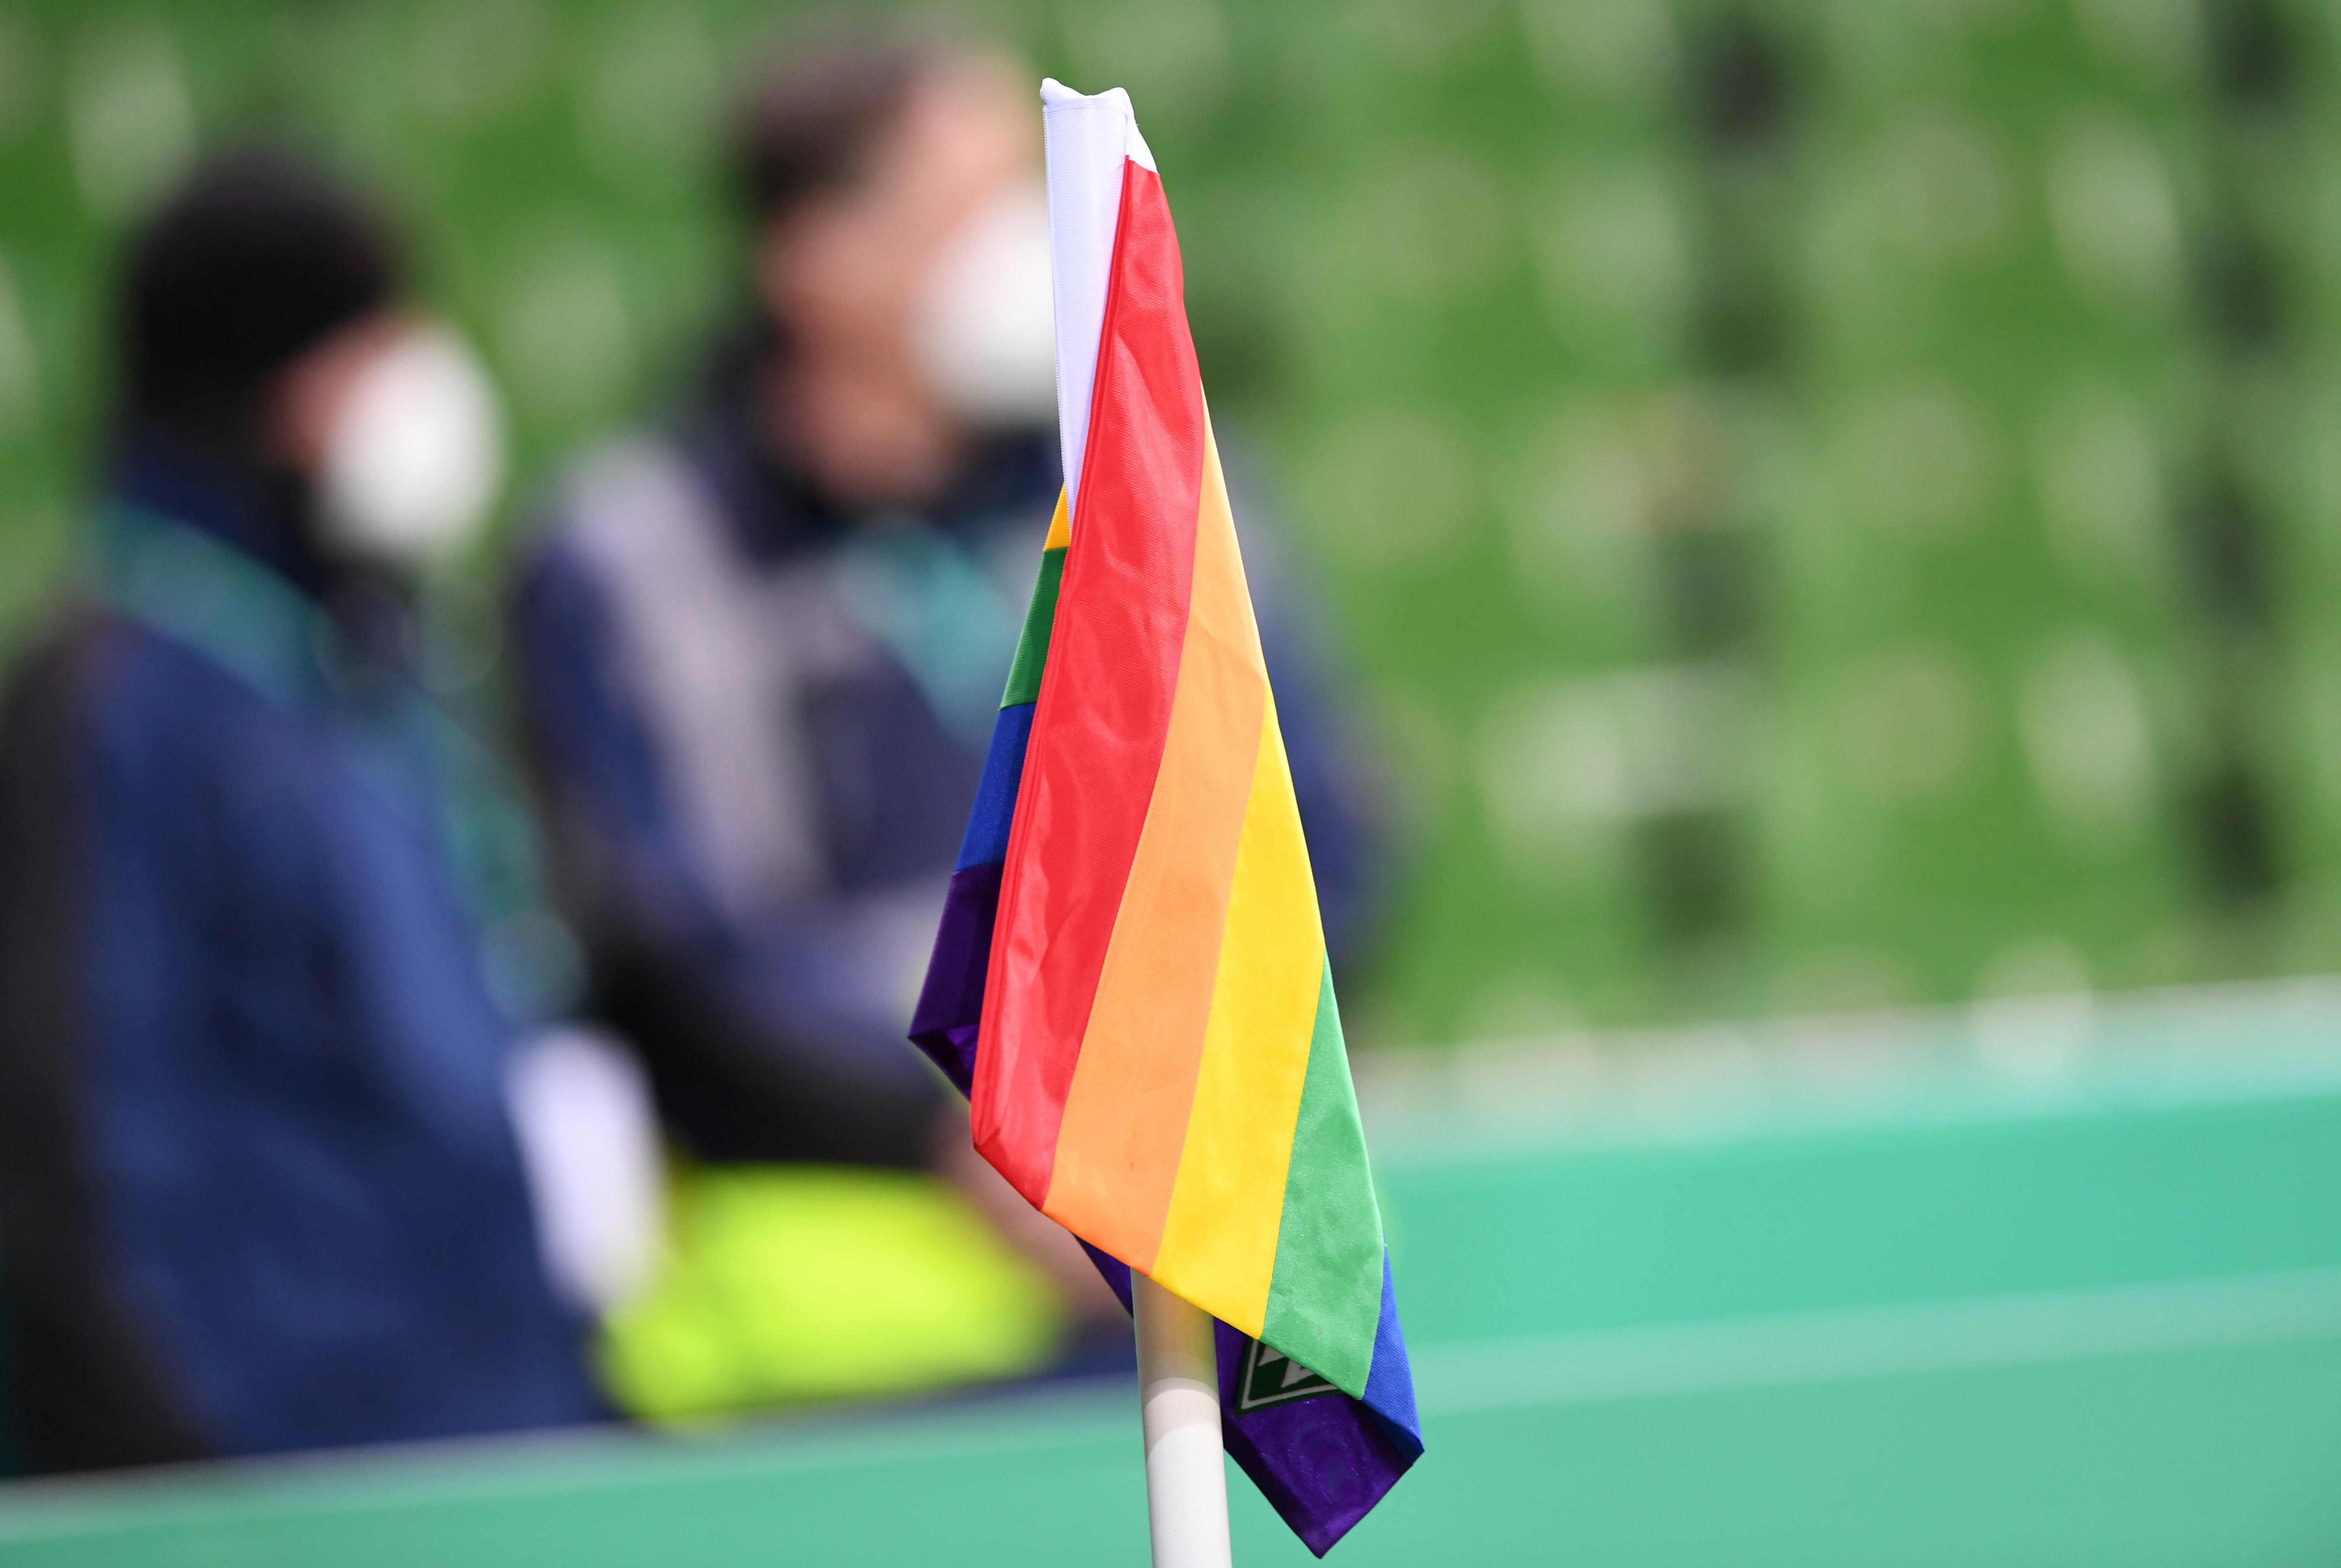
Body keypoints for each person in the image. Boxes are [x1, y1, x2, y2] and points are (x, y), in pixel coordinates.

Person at [508, 29, 1386, 1415]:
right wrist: (985, 1146)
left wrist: (1163, 1127)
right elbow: (675, 946)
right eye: (971, 205)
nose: (1030, 247)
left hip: (1169, 1278)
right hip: (833, 1358)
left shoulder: (1147, 489)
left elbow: (1324, 824)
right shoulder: (632, 560)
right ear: (814, 259)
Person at [0, 150, 604, 1472]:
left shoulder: (368, 649)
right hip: (290, 1464)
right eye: (367, 340)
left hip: (496, 1422)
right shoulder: (112, 698)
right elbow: (85, 1156)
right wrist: (200, 1466)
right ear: (262, 382)